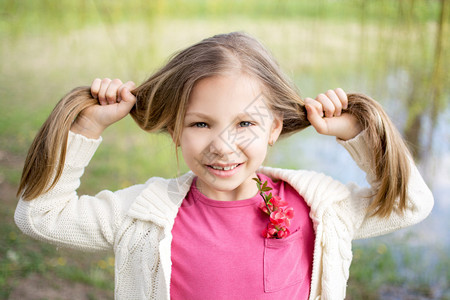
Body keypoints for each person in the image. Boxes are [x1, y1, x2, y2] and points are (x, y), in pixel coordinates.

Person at [15, 32, 433, 300]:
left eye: (245, 123)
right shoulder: (143, 216)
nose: (222, 145)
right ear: (175, 131)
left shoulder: (318, 208)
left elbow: (411, 204)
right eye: (200, 124)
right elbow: (41, 216)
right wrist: (87, 125)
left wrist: (357, 134)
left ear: (273, 128)